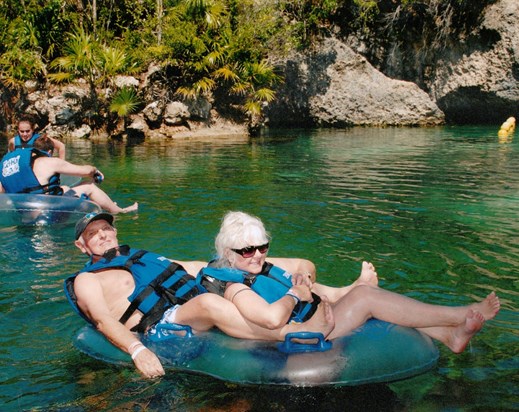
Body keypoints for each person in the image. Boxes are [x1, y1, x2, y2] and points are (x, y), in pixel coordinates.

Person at [65, 212, 336, 379]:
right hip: (161, 325)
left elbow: (189, 268)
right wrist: (138, 351)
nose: (102, 235)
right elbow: (102, 320)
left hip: (186, 303)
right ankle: (296, 332)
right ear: (81, 245)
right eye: (92, 233)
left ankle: (341, 293)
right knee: (209, 301)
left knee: (237, 272)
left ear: (114, 231)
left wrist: (231, 267)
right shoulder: (87, 280)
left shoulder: (139, 257)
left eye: (106, 229)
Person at [198, 211, 501, 353]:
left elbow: (302, 289)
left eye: (263, 247)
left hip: (316, 315)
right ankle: (458, 314)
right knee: (366, 298)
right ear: (228, 253)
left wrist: (303, 284)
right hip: (307, 332)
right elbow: (268, 318)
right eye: (248, 250)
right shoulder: (234, 286)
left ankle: (450, 336)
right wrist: (296, 292)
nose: (257, 256)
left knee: (369, 296)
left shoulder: (257, 269)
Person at [0, 136, 138, 214]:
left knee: (65, 188)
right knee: (89, 186)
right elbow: (86, 171)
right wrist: (95, 170)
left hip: (24, 213)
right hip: (47, 210)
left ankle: (106, 203)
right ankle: (119, 211)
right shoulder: (49, 162)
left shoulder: (10, 167)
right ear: (50, 151)